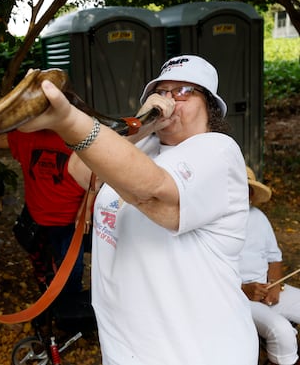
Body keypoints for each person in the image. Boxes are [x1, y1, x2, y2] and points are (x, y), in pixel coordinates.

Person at [17, 55, 257, 364]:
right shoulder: (143, 146)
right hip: (126, 351)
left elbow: (153, 192)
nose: (169, 100)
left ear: (209, 105)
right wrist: (142, 123)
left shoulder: (218, 150)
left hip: (198, 352)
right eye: (162, 91)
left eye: (183, 91)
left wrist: (68, 120)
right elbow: (80, 170)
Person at [0, 130, 89, 294]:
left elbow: (96, 178)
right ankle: (51, 296)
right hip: (38, 219)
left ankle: (67, 305)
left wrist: (86, 209)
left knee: (72, 270)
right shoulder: (25, 136)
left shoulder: (81, 134)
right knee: (45, 264)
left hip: (70, 222)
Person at [239, 166, 300, 365]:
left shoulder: (258, 217)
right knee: (281, 331)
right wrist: (243, 290)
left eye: (246, 189)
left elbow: (274, 257)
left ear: (251, 194)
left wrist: (274, 283)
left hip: (268, 289)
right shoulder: (210, 223)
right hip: (236, 297)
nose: (241, 192)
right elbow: (205, 275)